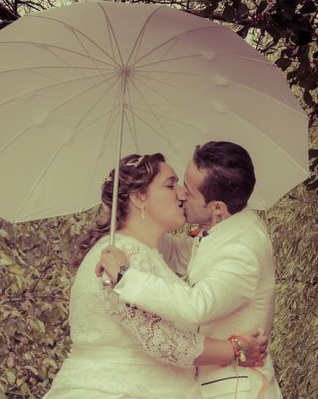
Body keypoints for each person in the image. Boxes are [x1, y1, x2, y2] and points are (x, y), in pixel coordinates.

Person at [43, 153, 268, 399]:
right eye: (171, 185)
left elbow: (185, 253)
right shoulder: (123, 257)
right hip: (118, 390)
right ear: (139, 197)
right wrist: (233, 349)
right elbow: (162, 340)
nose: (182, 194)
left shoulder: (138, 251)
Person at [97, 142, 283, 399]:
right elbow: (177, 254)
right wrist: (139, 218)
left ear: (217, 207)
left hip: (235, 388)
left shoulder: (242, 250)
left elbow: (197, 306)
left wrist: (124, 277)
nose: (181, 194)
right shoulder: (225, 227)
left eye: (190, 191)